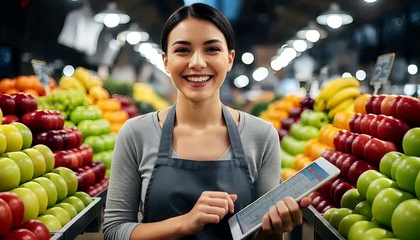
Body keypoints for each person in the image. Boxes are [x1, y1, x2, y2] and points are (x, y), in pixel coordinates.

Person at [103, 3, 310, 239]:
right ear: (166, 61)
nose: (197, 63)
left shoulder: (261, 135)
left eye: (212, 49)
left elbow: (263, 235)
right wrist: (184, 223)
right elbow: (113, 231)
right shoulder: (136, 133)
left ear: (230, 59)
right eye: (183, 50)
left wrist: (274, 230)